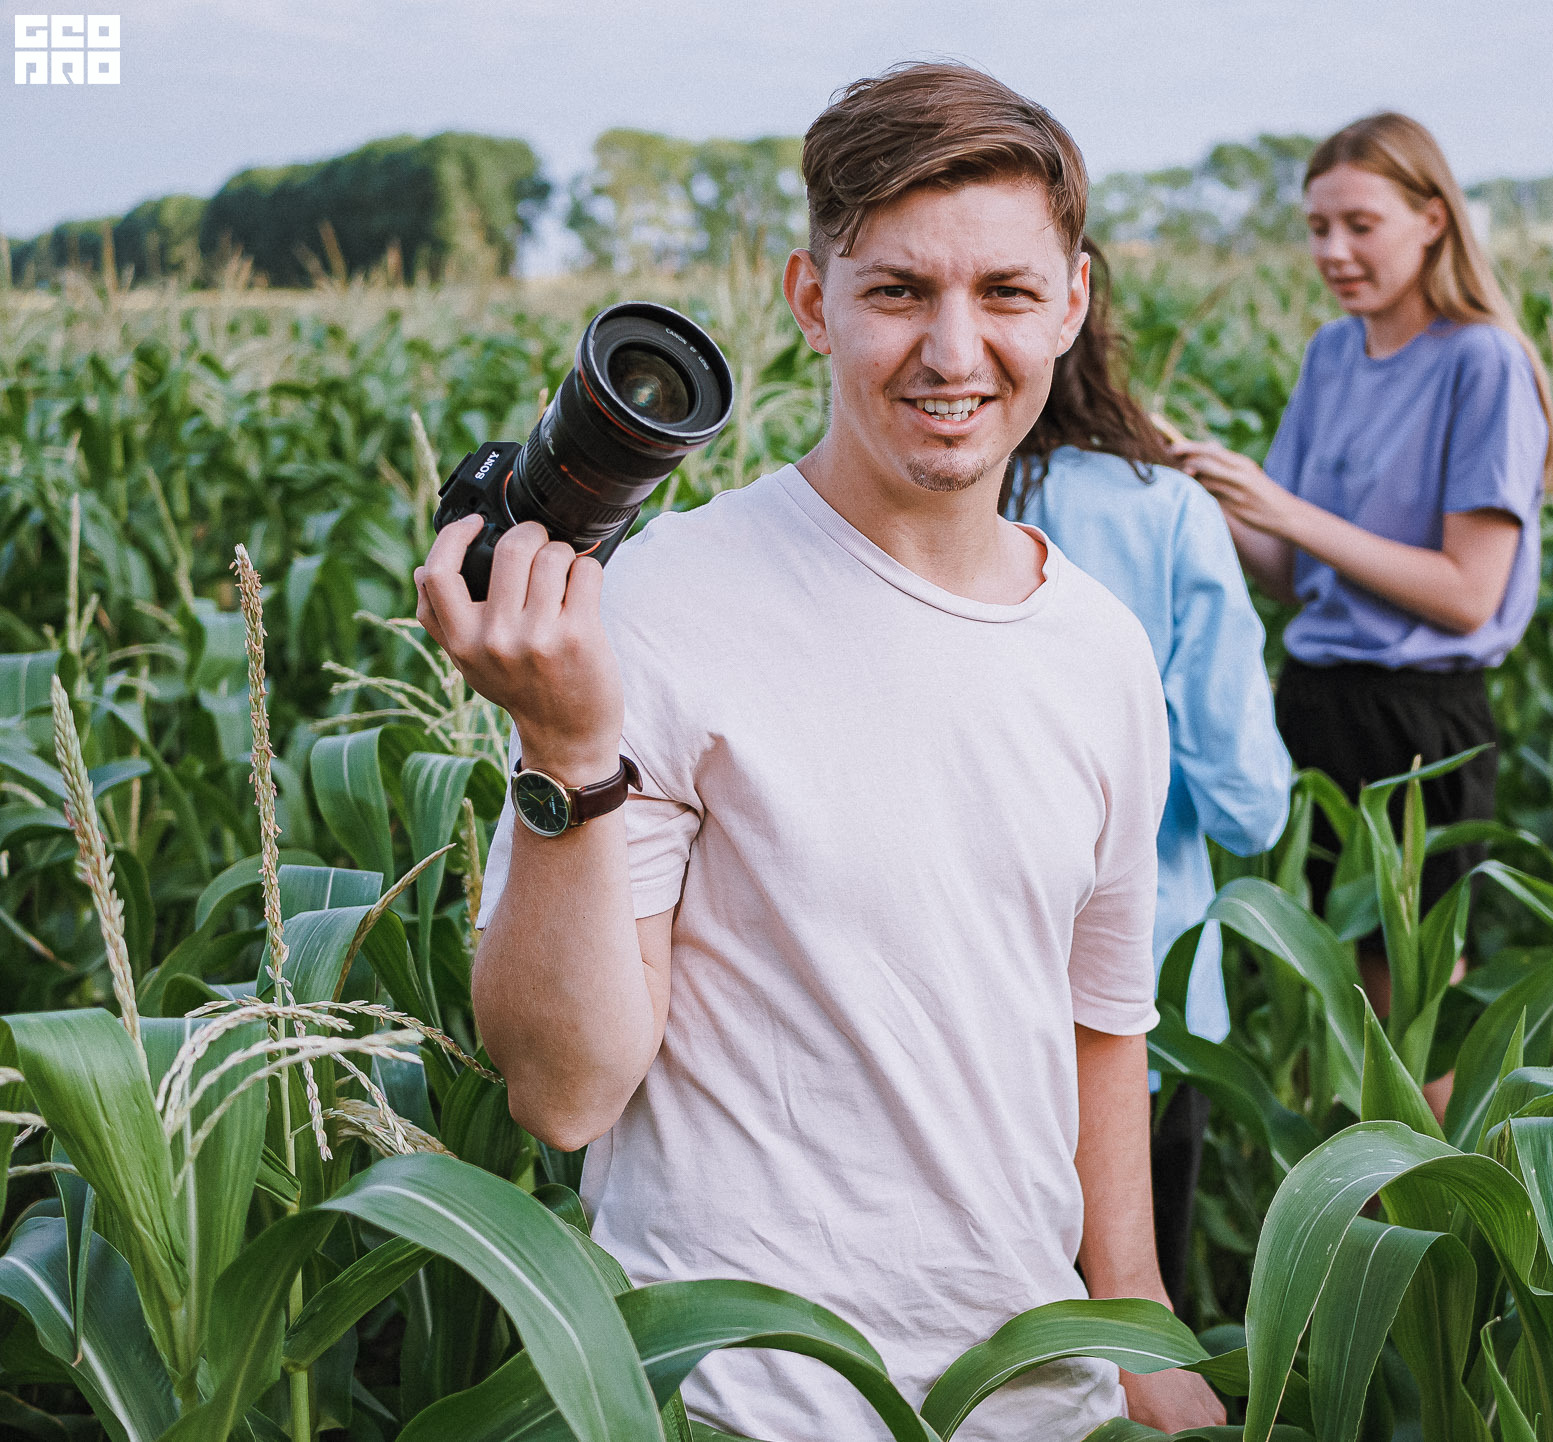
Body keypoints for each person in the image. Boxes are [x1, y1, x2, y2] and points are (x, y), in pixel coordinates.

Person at [415, 62, 1225, 1439]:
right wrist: (562, 746)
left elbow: (1102, 1023)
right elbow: (563, 1090)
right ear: (813, 300)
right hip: (742, 1391)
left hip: (1036, 1395)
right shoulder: (670, 601)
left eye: (1008, 294)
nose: (955, 351)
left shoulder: (1100, 648)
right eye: (900, 291)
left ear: (1073, 304)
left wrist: (1141, 1335)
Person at [1167, 112, 1553, 1122]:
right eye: (1315, 228)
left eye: (1359, 225)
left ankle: (1444, 1256)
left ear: (1432, 219)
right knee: (1331, 1015)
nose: (1332, 253)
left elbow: (1469, 589)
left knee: (1408, 1025)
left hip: (1419, 730)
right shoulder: (1333, 356)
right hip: (1317, 706)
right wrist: (1196, 491)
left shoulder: (1484, 363)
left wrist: (1289, 508)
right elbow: (1297, 574)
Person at [1001, 237, 1292, 1313]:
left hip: (951, 1022)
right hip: (1150, 1005)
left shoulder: (899, 509)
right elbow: (1251, 802)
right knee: (1127, 1324)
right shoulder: (1163, 512)